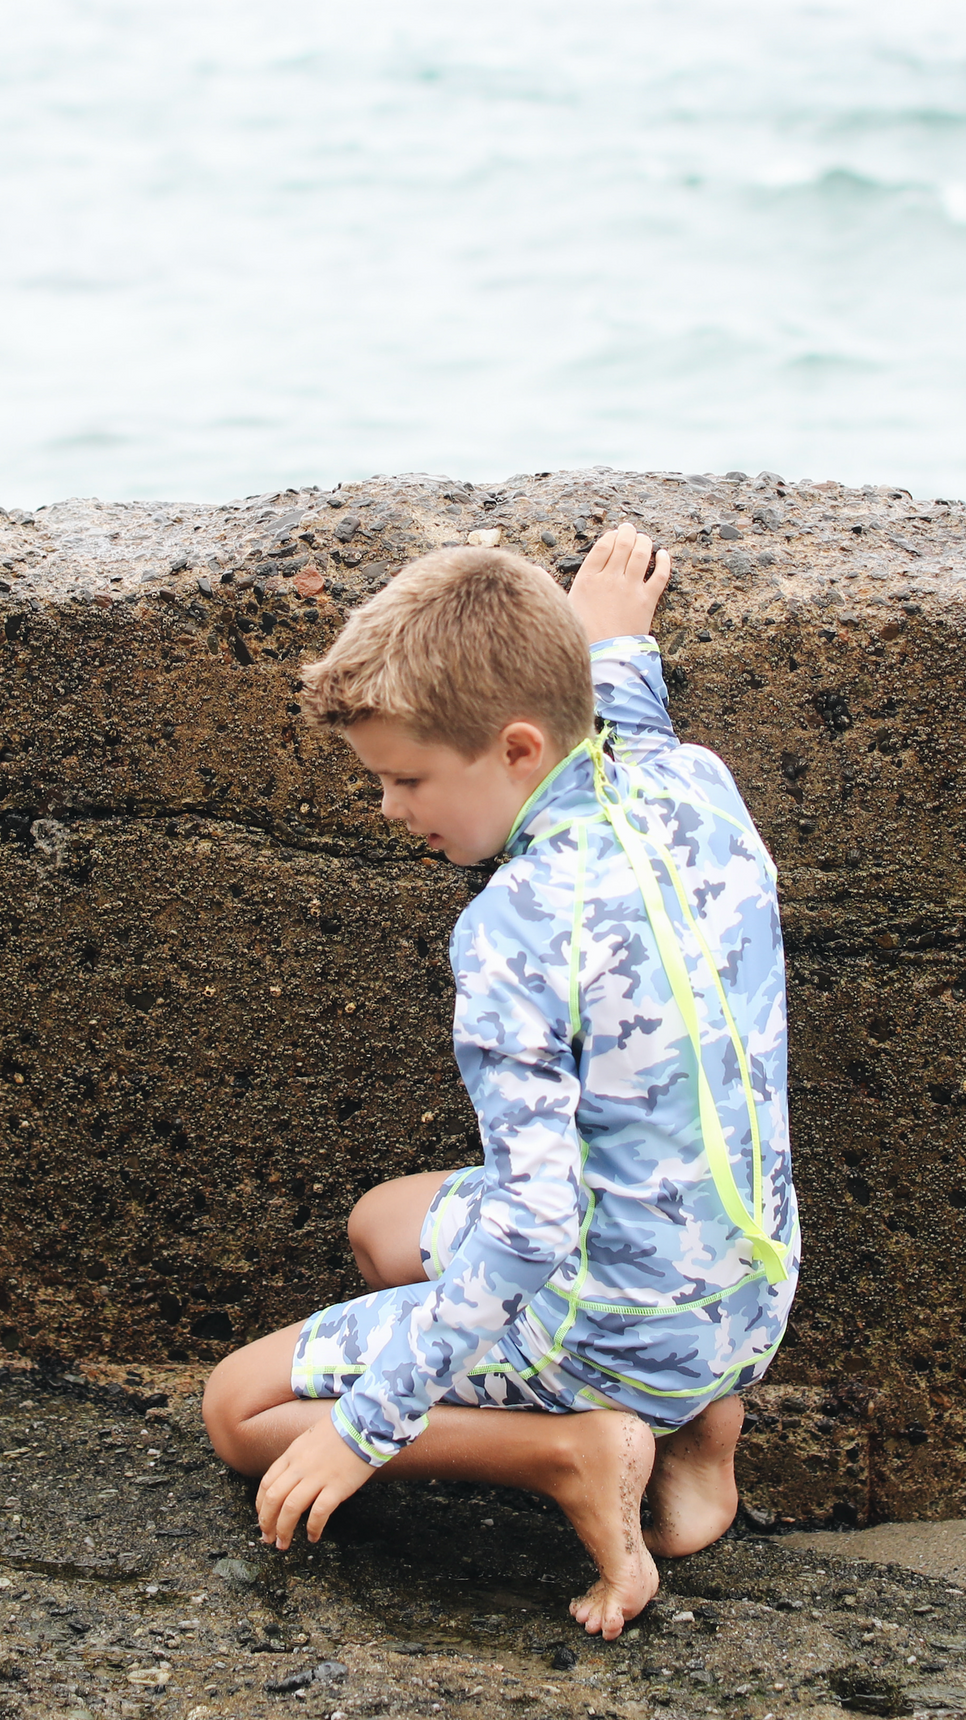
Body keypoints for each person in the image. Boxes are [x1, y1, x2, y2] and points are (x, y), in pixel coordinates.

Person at [203, 524, 799, 1639]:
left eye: (408, 777)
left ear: (517, 748)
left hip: (610, 1325)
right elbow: (619, 724)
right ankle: (704, 1438)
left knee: (241, 1410)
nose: (391, 809)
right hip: (749, 1296)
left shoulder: (513, 936)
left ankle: (574, 1453)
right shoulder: (697, 786)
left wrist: (365, 1426)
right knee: (384, 1226)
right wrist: (609, 639)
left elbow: (530, 1228)